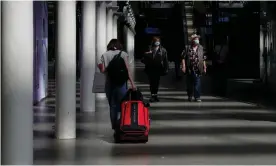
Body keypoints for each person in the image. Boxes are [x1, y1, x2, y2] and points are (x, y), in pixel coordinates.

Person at [98, 39, 135, 131]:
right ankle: (122, 124)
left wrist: (102, 67)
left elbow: (102, 71)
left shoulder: (104, 55)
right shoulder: (123, 54)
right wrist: (132, 84)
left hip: (110, 82)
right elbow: (127, 70)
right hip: (121, 83)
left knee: (113, 105)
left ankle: (114, 126)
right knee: (123, 104)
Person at [142, 36, 169, 102]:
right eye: (156, 41)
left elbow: (165, 60)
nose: (157, 43)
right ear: (153, 42)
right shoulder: (149, 49)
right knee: (152, 82)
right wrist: (147, 55)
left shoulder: (163, 50)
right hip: (150, 68)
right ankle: (152, 95)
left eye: (158, 41)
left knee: (156, 82)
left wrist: (166, 68)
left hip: (158, 68)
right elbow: (142, 59)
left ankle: (155, 95)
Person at [181, 34, 207, 102]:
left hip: (198, 68)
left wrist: (204, 67)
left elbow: (203, 58)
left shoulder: (201, 48)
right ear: (192, 40)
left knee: (197, 83)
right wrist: (183, 66)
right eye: (195, 39)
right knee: (189, 83)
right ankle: (190, 95)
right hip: (189, 68)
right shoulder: (187, 48)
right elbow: (183, 57)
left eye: (197, 39)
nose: (197, 40)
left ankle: (197, 97)